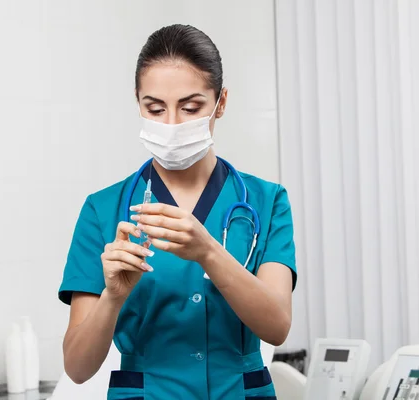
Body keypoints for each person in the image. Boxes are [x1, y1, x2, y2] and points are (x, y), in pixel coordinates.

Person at [59, 24, 297, 400]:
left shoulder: (266, 201)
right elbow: (77, 367)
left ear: (221, 102)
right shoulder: (102, 209)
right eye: (154, 108)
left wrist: (208, 252)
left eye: (190, 108)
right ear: (138, 103)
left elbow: (277, 326)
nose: (170, 124)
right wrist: (113, 298)